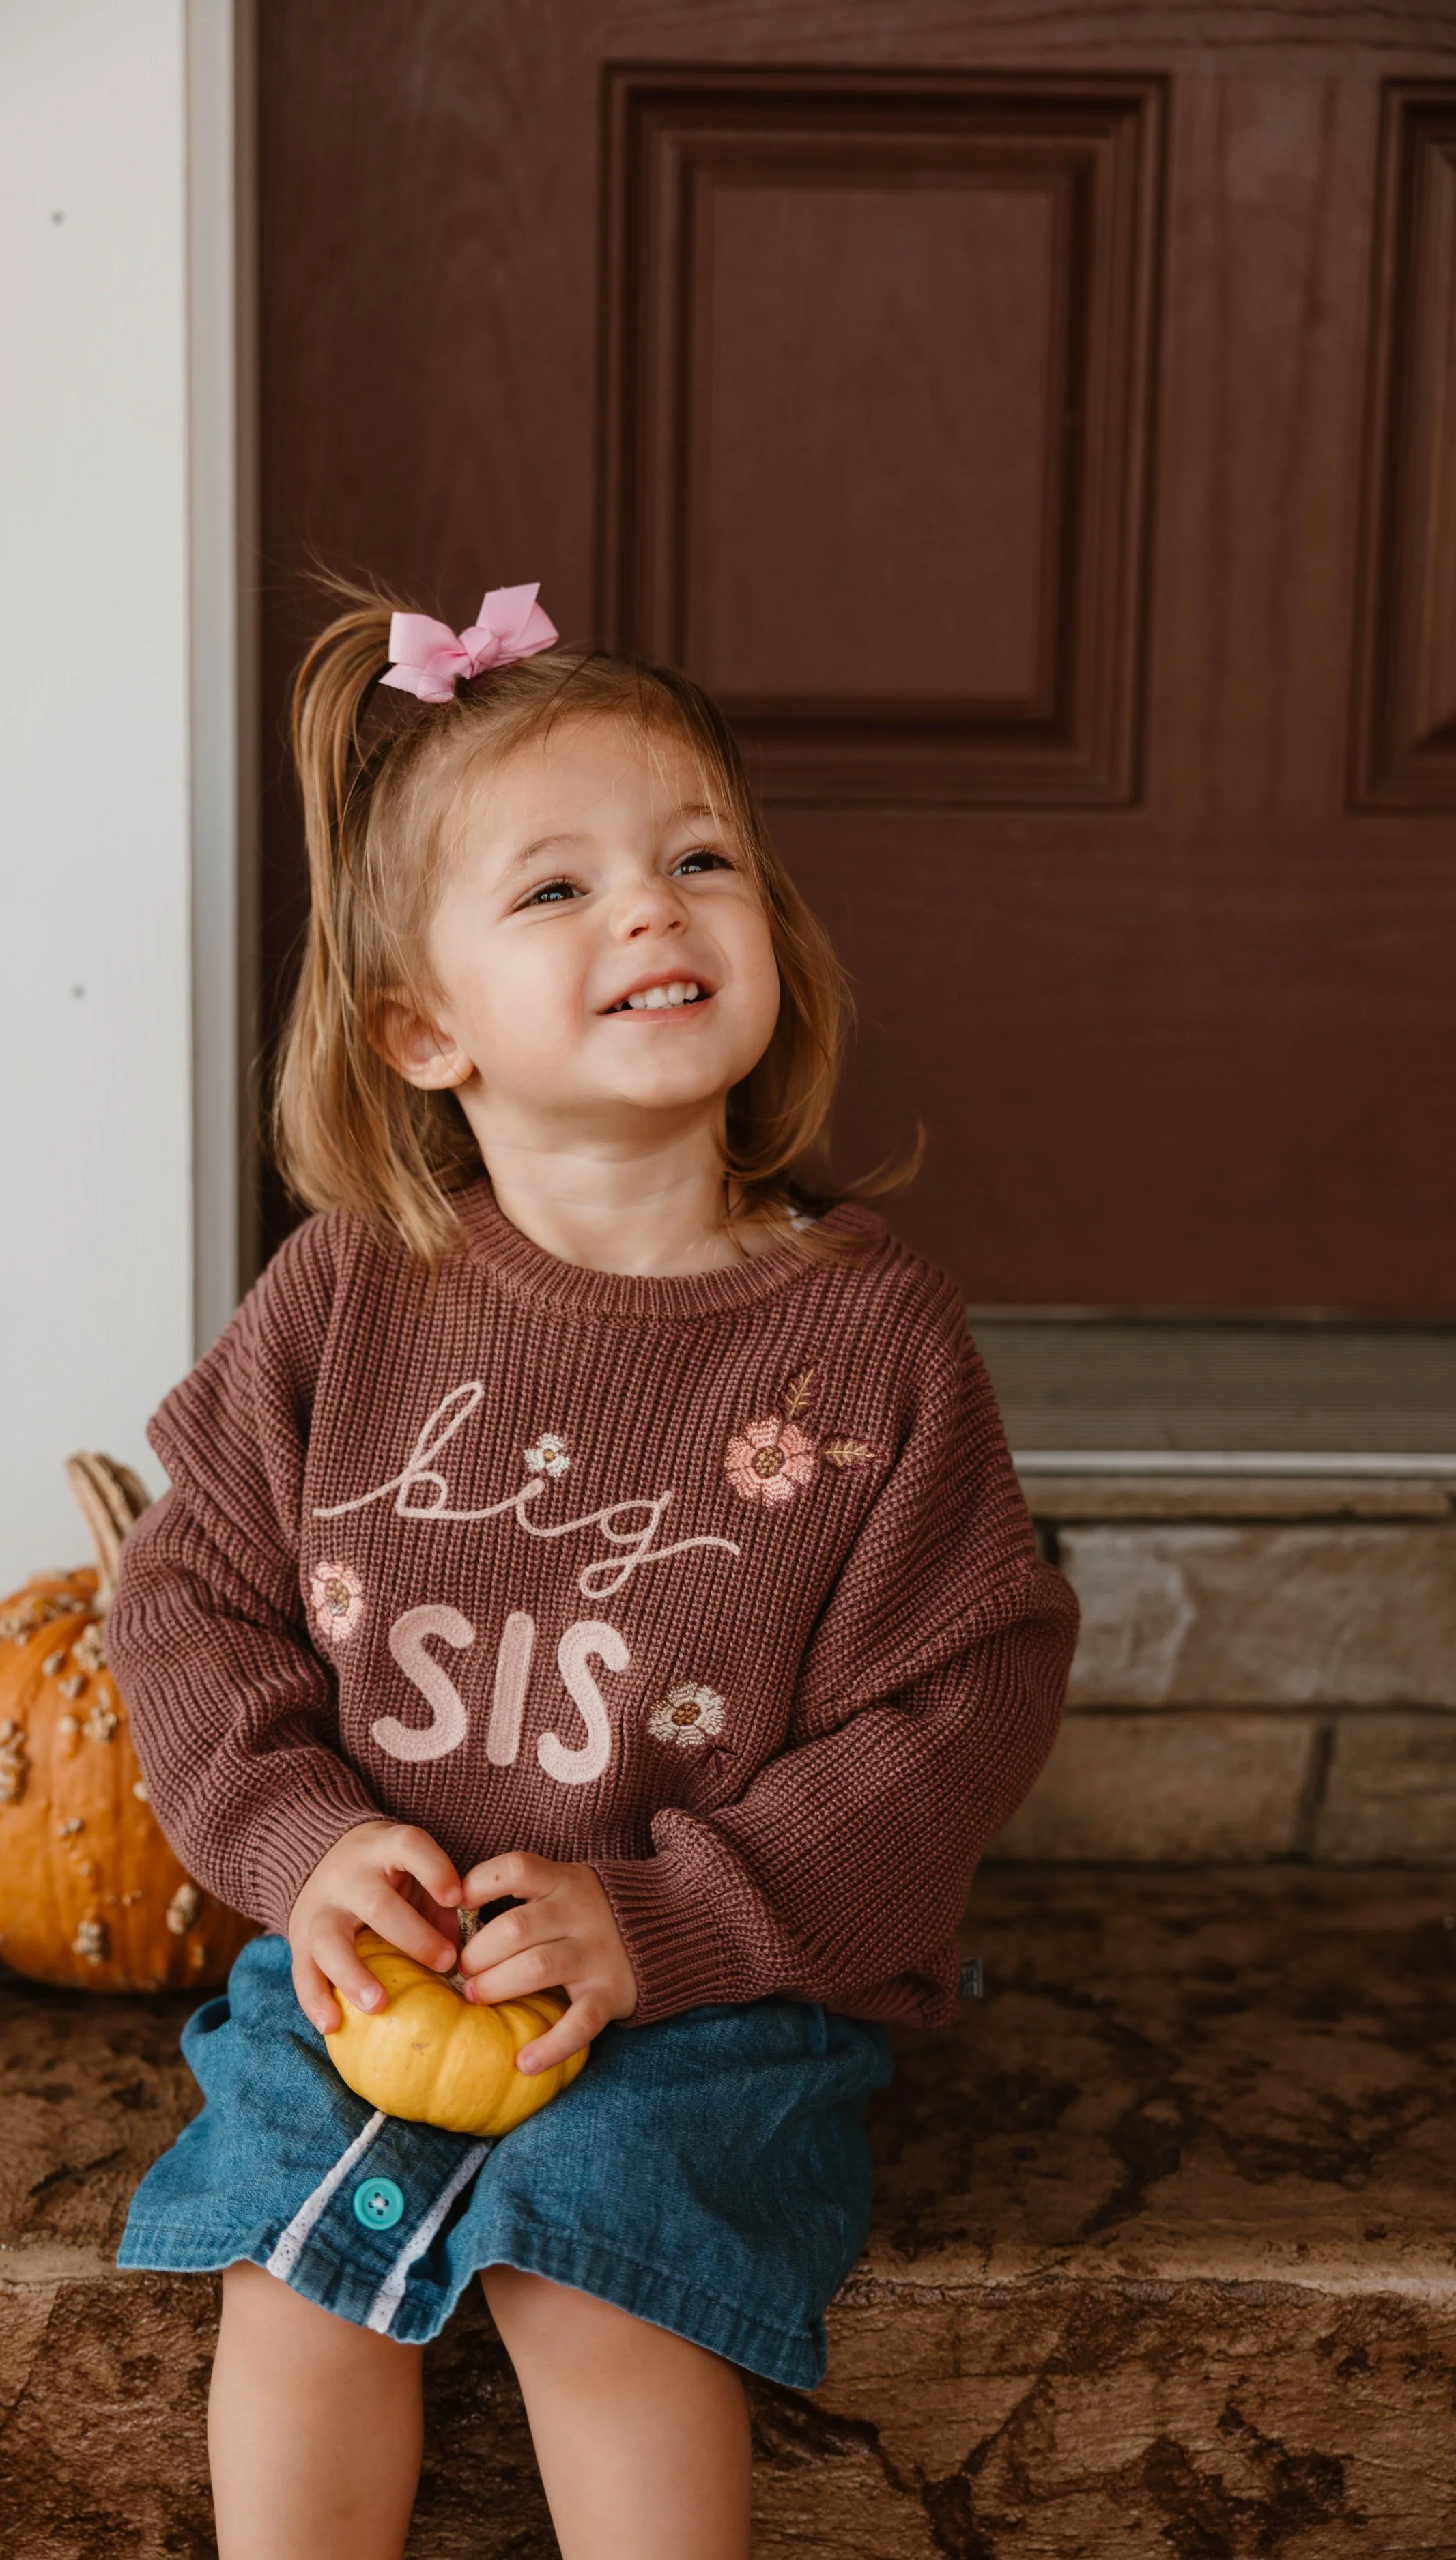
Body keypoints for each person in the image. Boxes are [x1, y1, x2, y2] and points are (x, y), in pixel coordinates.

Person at [109, 579, 1078, 2560]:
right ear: (420, 1024)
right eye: (555, 890)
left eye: (696, 858)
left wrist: (678, 1922)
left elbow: (962, 1697)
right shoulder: (347, 1296)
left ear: (770, 940)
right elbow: (187, 1594)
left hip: (708, 1982)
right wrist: (297, 1844)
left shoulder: (867, 1335)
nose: (650, 908)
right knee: (300, 2271)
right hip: (379, 1958)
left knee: (597, 2266)